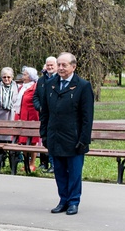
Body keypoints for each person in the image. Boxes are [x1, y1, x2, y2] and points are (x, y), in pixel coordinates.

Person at [39, 52, 94, 215]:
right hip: (55, 136)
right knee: (60, 172)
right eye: (59, 65)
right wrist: (44, 134)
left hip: (74, 137)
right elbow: (45, 112)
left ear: (73, 66)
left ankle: (73, 201)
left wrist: (84, 139)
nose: (61, 68)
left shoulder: (83, 86)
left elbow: (87, 116)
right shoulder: (50, 84)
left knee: (74, 172)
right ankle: (63, 200)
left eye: (64, 65)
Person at [34, 56, 58, 172]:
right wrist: (40, 107)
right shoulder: (41, 80)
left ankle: (54, 165)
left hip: (55, 116)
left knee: (54, 141)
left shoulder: (59, 79)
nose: (49, 67)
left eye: (52, 65)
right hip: (44, 115)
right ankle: (48, 163)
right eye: (48, 65)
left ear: (56, 66)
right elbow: (36, 97)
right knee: (46, 140)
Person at [17, 66, 40, 170]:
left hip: (32, 117)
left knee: (32, 142)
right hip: (21, 116)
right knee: (23, 141)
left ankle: (32, 163)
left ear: (31, 77)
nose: (23, 75)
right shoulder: (21, 87)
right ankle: (26, 163)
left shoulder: (35, 87)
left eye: (25, 74)